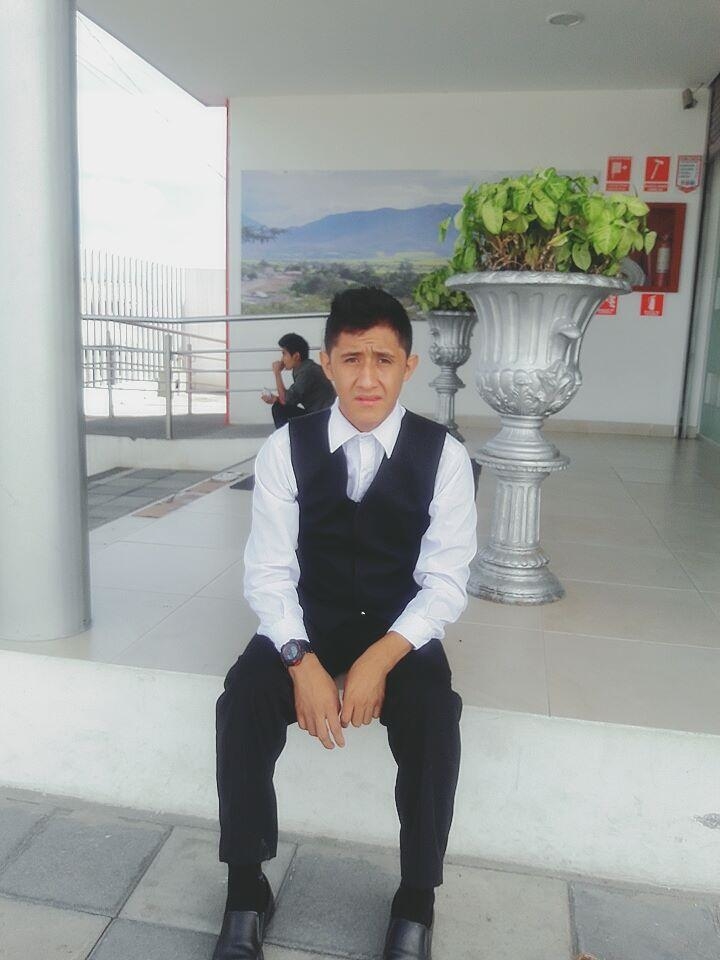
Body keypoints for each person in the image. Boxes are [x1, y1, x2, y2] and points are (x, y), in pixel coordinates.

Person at [214, 287, 477, 960]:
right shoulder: (286, 448)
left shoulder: (444, 456)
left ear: (408, 367)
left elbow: (445, 583)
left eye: (383, 360)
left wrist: (379, 659)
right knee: (243, 698)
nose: (367, 378)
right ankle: (246, 888)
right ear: (326, 364)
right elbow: (269, 572)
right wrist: (300, 661)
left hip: (398, 627)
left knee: (435, 715)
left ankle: (416, 897)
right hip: (309, 620)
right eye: (351, 359)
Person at [262, 332, 336, 427]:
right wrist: (275, 399)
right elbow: (291, 399)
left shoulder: (307, 372)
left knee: (279, 409)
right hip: (318, 415)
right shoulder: (303, 368)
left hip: (324, 420)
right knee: (279, 406)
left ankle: (287, 437)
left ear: (296, 356)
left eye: (284, 354)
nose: (282, 359)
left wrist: (277, 373)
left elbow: (285, 401)